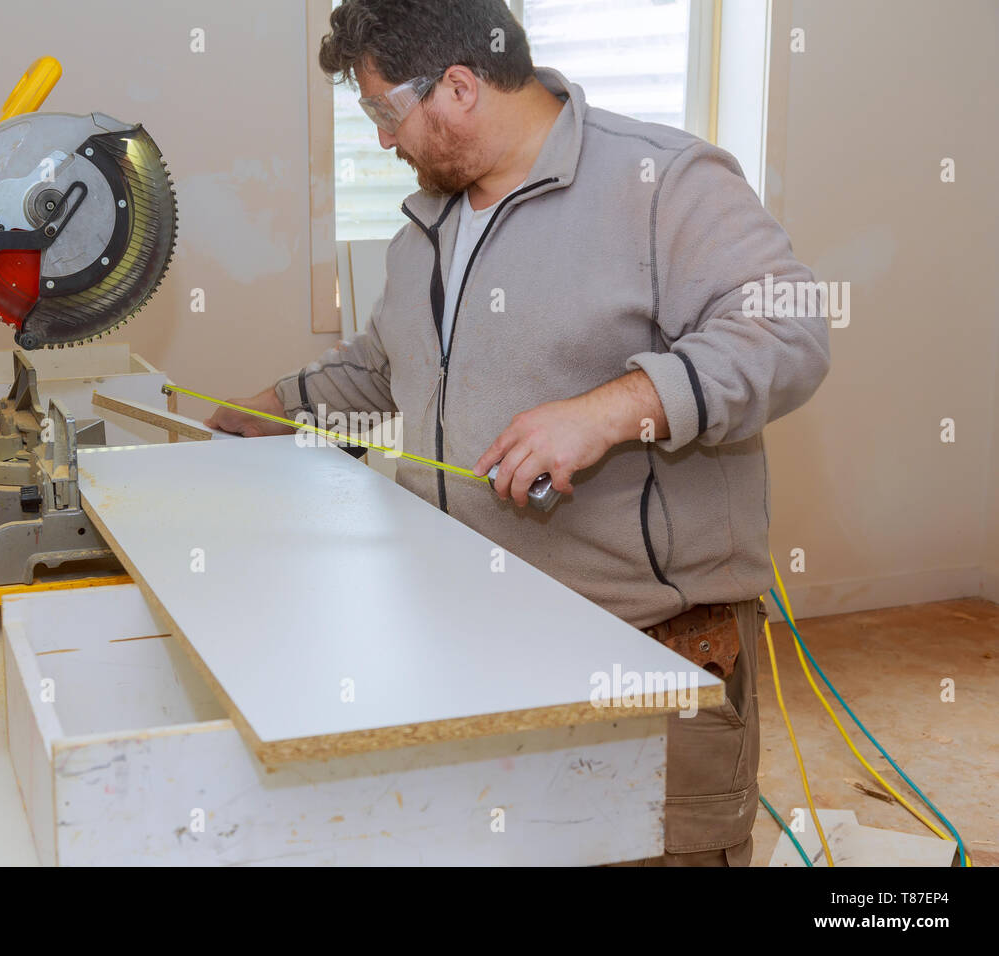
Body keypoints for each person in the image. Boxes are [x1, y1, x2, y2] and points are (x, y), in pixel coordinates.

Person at [206, 0, 830, 866]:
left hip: (643, 668)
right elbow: (387, 371)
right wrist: (252, 410)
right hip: (465, 651)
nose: (385, 141)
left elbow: (790, 333)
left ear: (457, 87)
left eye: (387, 113)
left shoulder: (663, 182)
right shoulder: (430, 225)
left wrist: (610, 410)